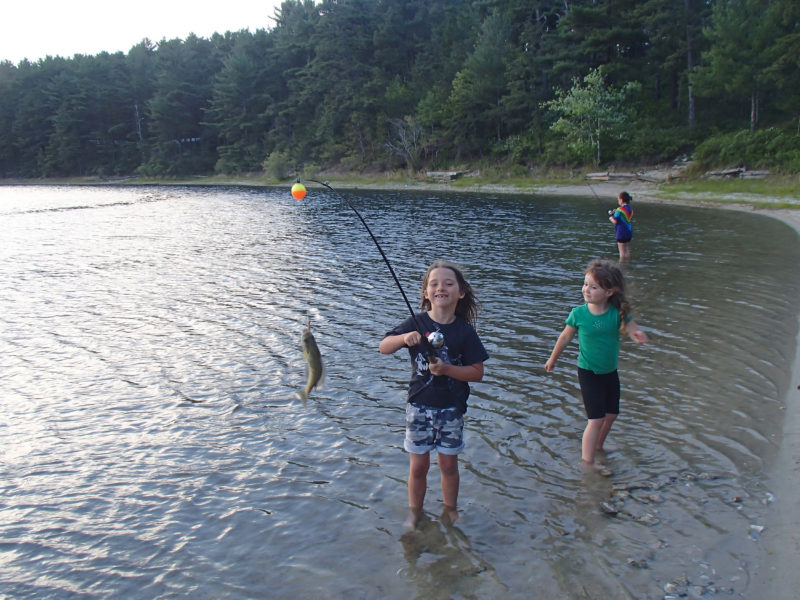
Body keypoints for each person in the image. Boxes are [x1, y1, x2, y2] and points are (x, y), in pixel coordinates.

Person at [379, 260, 489, 528]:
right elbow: (384, 346)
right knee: (418, 468)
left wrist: (448, 369)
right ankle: (415, 513)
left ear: (460, 293)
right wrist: (404, 339)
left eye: (448, 283)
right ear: (426, 293)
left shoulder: (464, 330)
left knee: (449, 466)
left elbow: (477, 372)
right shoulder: (416, 322)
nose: (441, 288)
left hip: (452, 408)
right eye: (434, 284)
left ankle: (450, 510)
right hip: (418, 406)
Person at [545, 258, 648, 473]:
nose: (586, 290)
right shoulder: (578, 314)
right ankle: (588, 463)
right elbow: (564, 338)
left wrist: (637, 336)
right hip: (588, 372)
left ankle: (599, 446)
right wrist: (553, 359)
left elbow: (632, 328)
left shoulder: (617, 312)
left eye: (593, 287)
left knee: (611, 415)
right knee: (596, 418)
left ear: (609, 292)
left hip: (610, 372)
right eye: (585, 284)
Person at [609, 191, 634, 260]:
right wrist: (615, 212)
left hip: (621, 232)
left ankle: (622, 266)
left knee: (622, 253)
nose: (618, 201)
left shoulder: (619, 209)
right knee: (627, 250)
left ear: (621, 200)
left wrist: (611, 217)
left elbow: (615, 221)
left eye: (618, 199)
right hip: (629, 231)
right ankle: (628, 263)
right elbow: (624, 217)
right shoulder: (630, 209)